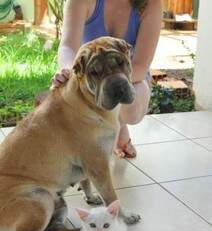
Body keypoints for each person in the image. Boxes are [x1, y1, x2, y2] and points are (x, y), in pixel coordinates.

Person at [53, 0, 162, 158]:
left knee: (131, 107)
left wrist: (106, 83)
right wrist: (68, 71)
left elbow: (140, 65)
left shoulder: (151, 3)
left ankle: (118, 126)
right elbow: (68, 47)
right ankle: (113, 132)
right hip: (89, 78)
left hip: (132, 79)